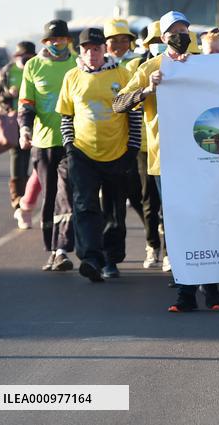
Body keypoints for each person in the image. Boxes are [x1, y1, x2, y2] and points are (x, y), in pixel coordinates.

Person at [114, 10, 219, 312]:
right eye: (174, 31)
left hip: (205, 158)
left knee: (206, 221)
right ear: (162, 38)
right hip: (167, 162)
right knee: (178, 227)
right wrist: (147, 89)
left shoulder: (204, 64)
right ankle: (185, 293)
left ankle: (211, 288)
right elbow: (118, 104)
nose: (181, 35)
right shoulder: (150, 67)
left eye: (185, 29)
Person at [57, 27, 142, 282]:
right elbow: (66, 117)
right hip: (83, 153)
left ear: (104, 49)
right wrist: (69, 146)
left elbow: (134, 114)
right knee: (84, 206)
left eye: (96, 49)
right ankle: (91, 258)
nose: (91, 54)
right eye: (86, 49)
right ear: (79, 51)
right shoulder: (72, 77)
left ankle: (111, 260)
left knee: (115, 211)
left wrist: (132, 149)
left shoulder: (122, 74)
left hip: (118, 152)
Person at [18, 19, 78, 272]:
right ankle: (52, 250)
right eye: (51, 40)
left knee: (67, 196)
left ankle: (63, 249)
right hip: (43, 142)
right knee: (50, 195)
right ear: (45, 42)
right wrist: (25, 129)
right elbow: (26, 104)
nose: (56, 43)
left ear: (68, 41)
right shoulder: (33, 66)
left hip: (73, 141)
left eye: (60, 39)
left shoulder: (79, 63)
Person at [126, 20, 165, 270]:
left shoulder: (189, 65)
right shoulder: (138, 67)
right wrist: (147, 90)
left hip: (179, 148)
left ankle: (173, 252)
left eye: (163, 41)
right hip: (145, 144)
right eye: (155, 42)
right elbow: (121, 103)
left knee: (174, 206)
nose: (159, 46)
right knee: (149, 200)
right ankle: (152, 246)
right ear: (147, 45)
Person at [104, 18, 146, 232]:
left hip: (133, 138)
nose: (119, 45)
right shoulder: (95, 66)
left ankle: (155, 236)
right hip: (106, 140)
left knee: (138, 195)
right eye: (114, 41)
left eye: (124, 40)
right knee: (109, 202)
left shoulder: (139, 63)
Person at [0, 41, 36, 228]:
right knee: (18, 160)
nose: (26, 61)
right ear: (16, 57)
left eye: (29, 57)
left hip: (36, 122)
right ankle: (18, 201)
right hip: (14, 122)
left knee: (37, 162)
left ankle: (30, 202)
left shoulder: (36, 68)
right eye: (23, 57)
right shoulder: (7, 72)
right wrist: (9, 96)